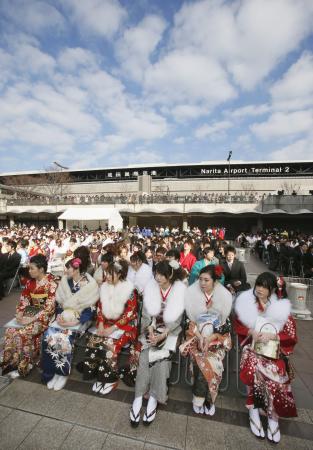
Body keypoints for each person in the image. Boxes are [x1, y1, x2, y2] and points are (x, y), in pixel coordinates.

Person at [234, 272, 297, 444]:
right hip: (253, 347)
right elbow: (238, 324)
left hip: (273, 350)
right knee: (252, 366)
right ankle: (253, 410)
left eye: (264, 287)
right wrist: (251, 331)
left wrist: (275, 336)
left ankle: (273, 416)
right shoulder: (247, 304)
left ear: (273, 289)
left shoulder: (281, 307)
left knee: (278, 374)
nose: (260, 290)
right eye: (258, 285)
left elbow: (290, 334)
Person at [130, 260, 186, 427]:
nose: (158, 277)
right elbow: (146, 314)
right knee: (145, 356)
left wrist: (163, 335)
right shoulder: (152, 288)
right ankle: (138, 397)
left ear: (170, 274)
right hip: (152, 330)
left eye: (161, 274)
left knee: (161, 360)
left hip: (170, 332)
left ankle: (154, 397)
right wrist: (151, 329)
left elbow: (178, 319)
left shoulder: (179, 291)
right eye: (156, 273)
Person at [80, 260, 139, 395]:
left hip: (125, 326)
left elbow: (130, 313)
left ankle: (109, 379)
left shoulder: (129, 289)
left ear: (120, 274)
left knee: (109, 344)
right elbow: (100, 307)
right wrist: (100, 323)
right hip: (107, 322)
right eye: (107, 273)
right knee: (93, 340)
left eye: (111, 274)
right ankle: (96, 373)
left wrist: (113, 328)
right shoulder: (104, 287)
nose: (107, 276)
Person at [41, 256, 99, 391]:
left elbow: (90, 309)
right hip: (64, 318)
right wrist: (60, 316)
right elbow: (60, 304)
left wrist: (76, 320)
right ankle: (53, 372)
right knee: (49, 335)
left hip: (80, 319)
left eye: (68, 268)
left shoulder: (89, 284)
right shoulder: (65, 282)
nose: (66, 270)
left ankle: (62, 373)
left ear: (76, 269)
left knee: (64, 337)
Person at [183, 265, 232, 415]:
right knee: (200, 358)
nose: (202, 283)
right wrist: (199, 337)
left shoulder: (224, 296)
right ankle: (201, 398)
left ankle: (207, 399)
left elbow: (225, 324)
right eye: (200, 279)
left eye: (206, 280)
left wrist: (211, 338)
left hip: (216, 338)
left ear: (215, 281)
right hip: (196, 336)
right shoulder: (191, 294)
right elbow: (188, 321)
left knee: (213, 361)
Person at [0, 254, 57, 377]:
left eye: (32, 268)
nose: (29, 271)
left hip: (44, 317)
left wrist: (32, 318)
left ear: (41, 269)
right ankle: (12, 361)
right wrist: (20, 312)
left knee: (23, 333)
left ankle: (26, 363)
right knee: (10, 330)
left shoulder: (51, 283)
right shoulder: (30, 283)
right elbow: (24, 300)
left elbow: (49, 308)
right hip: (29, 313)